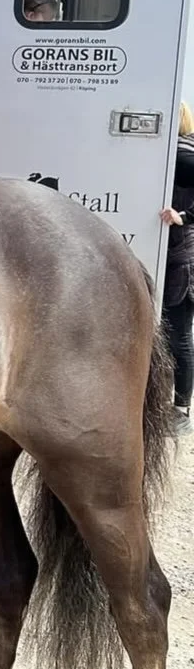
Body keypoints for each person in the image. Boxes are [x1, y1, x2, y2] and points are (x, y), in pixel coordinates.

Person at [161, 102, 194, 436]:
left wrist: (184, 217)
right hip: (177, 257)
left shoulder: (183, 156)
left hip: (181, 261)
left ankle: (181, 409)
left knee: (179, 336)